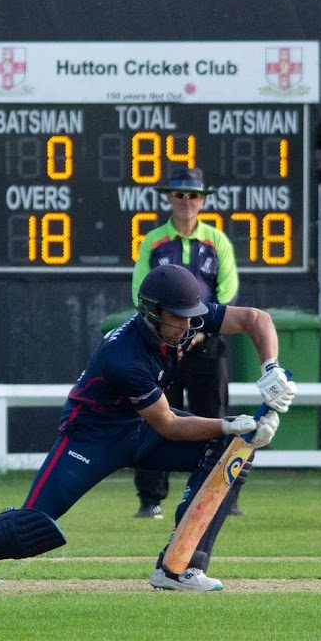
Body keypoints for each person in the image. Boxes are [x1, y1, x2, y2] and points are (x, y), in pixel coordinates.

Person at [0, 265, 297, 593]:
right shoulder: (125, 356)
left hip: (140, 428)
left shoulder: (181, 316)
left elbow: (254, 318)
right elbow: (170, 425)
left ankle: (179, 567)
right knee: (33, 527)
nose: (189, 326)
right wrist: (231, 422)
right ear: (153, 311)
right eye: (179, 318)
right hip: (92, 437)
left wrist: (270, 368)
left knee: (231, 454)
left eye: (193, 316)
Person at [129, 167, 239, 519]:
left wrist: (202, 329)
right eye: (179, 195)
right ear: (168, 198)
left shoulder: (216, 241)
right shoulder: (153, 241)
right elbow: (139, 290)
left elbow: (228, 288)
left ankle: (221, 495)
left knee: (215, 417)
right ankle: (151, 498)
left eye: (193, 195)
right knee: (156, 417)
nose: (186, 202)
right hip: (163, 344)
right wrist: (164, 330)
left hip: (205, 343)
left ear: (203, 200)